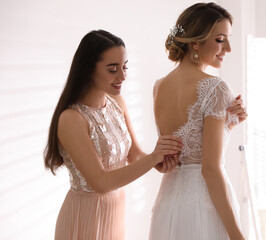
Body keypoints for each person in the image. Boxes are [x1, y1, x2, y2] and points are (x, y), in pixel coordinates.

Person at [43, 30, 182, 240]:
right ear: (89, 69)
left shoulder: (118, 103)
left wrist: (157, 162)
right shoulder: (71, 118)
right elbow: (101, 182)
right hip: (84, 216)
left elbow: (133, 154)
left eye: (124, 66)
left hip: (115, 211)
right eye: (112, 69)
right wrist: (154, 157)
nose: (123, 76)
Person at [149, 3, 247, 240]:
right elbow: (210, 169)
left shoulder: (159, 86)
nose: (228, 48)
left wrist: (229, 122)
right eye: (220, 39)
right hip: (204, 205)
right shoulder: (215, 88)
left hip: (168, 202)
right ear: (195, 42)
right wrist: (236, 234)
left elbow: (187, 145)